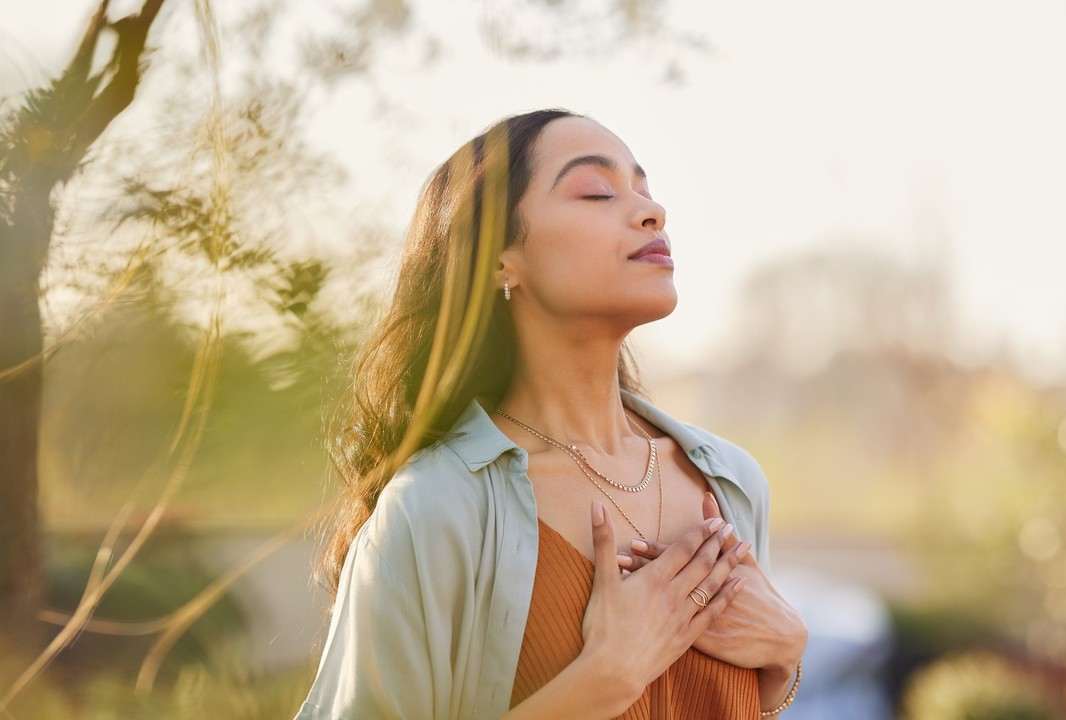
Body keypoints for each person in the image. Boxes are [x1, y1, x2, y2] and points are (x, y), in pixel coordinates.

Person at [295, 108, 808, 720]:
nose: (652, 212)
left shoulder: (731, 481)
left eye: (645, 190)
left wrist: (784, 660)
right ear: (498, 261)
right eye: (596, 191)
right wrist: (602, 681)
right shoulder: (435, 509)